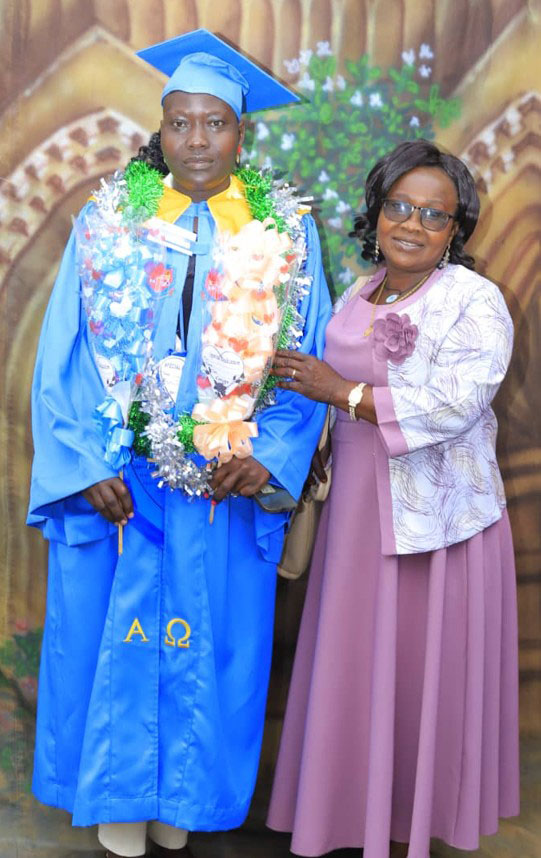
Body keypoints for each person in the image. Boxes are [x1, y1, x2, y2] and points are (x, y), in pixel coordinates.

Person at [27, 29, 331, 858]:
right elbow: (67, 353)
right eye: (180, 124)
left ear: (242, 134)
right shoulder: (107, 225)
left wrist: (267, 454)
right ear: (159, 131)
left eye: (215, 125)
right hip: (120, 481)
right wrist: (85, 463)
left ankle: (185, 799)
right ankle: (115, 799)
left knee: (216, 640)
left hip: (220, 483)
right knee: (108, 633)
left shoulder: (288, 236)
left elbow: (308, 359)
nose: (196, 141)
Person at [268, 140, 519, 858]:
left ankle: (408, 824)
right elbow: (311, 387)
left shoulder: (474, 300)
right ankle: (345, 816)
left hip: (437, 527)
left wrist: (340, 391)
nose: (411, 225)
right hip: (352, 512)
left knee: (415, 673)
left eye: (433, 216)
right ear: (376, 213)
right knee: (353, 667)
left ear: (454, 231)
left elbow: (459, 403)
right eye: (399, 208)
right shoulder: (357, 288)